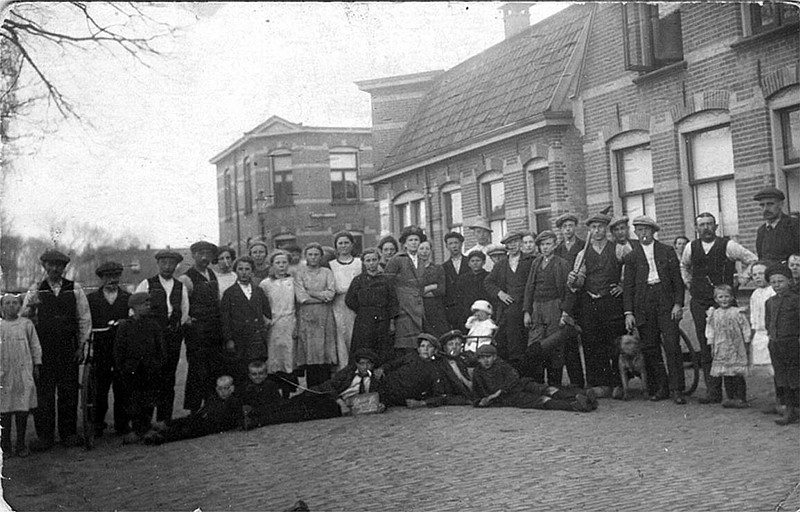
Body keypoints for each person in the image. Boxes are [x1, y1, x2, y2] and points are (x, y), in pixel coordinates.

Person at [680, 212, 757, 404]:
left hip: (724, 303)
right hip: (700, 303)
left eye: (709, 224)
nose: (706, 228)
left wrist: (741, 280)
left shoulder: (728, 245)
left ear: (715, 227)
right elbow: (683, 266)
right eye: (702, 225)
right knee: (706, 346)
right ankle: (713, 393)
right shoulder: (691, 247)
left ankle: (736, 395)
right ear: (696, 228)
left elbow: (753, 260)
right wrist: (689, 283)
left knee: (731, 346)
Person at [23, 249, 92, 451]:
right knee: (44, 394)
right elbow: (25, 319)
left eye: (59, 265)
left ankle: (68, 434)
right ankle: (45, 437)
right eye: (50, 265)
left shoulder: (75, 289)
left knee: (68, 392)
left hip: (67, 350)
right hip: (43, 351)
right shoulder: (35, 289)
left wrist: (82, 345)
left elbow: (84, 319)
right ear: (44, 267)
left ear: (64, 268)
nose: (54, 269)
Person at [623, 216, 686, 404]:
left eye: (646, 230)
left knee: (672, 345)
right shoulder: (631, 257)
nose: (643, 234)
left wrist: (677, 304)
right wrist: (629, 313)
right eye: (639, 230)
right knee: (650, 348)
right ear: (635, 233)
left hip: (665, 300)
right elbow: (628, 287)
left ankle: (677, 389)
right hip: (643, 303)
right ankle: (662, 387)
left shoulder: (667, 251)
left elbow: (678, 282)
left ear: (653, 231)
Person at [567, 213, 624, 398]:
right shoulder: (582, 254)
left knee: (614, 342)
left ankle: (618, 383)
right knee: (592, 343)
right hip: (590, 303)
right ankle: (600, 383)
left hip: (612, 302)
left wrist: (622, 285)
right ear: (589, 230)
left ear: (605, 229)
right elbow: (579, 280)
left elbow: (630, 270)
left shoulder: (619, 249)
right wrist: (574, 280)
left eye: (600, 227)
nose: (597, 230)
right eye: (593, 227)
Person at [134, 250, 189, 423]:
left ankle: (164, 420)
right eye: (164, 263)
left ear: (176, 266)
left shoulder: (180, 286)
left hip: (172, 338)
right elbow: (134, 308)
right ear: (158, 264)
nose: (167, 267)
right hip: (151, 339)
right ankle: (145, 421)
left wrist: (175, 327)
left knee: (168, 378)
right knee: (150, 378)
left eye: (171, 263)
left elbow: (184, 312)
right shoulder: (147, 283)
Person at [471, 345, 596, 412]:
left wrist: (500, 390)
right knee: (542, 400)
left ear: (495, 357)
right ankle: (575, 406)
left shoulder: (501, 365)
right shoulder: (478, 374)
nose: (486, 360)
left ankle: (582, 396)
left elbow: (513, 376)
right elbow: (477, 396)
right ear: (478, 359)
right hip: (511, 397)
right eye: (482, 358)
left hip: (520, 385)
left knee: (548, 390)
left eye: (489, 357)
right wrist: (482, 402)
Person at [114, 292, 167, 444]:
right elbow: (119, 351)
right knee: (133, 401)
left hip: (150, 370)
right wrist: (124, 368)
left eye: (149, 304)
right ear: (135, 307)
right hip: (132, 371)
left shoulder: (154, 325)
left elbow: (161, 348)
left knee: (149, 400)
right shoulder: (125, 326)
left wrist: (157, 364)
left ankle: (147, 427)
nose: (148, 306)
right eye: (145, 304)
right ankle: (137, 429)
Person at [522, 230, 573, 385]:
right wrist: (526, 311)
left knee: (553, 343)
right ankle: (537, 383)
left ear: (555, 245)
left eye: (548, 244)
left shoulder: (562, 264)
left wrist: (565, 312)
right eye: (542, 244)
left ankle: (554, 383)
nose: (545, 247)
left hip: (554, 306)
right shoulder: (536, 263)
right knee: (536, 343)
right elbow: (529, 288)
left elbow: (569, 290)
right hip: (537, 307)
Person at [86, 261, 131, 436]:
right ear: (101, 279)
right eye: (108, 277)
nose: (112, 280)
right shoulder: (91, 300)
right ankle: (97, 423)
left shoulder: (127, 298)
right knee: (99, 389)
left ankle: (122, 424)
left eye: (115, 276)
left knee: (122, 388)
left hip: (121, 351)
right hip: (101, 349)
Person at [177, 241, 223, 414]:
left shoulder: (213, 274)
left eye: (207, 254)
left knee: (214, 367)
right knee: (197, 370)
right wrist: (189, 321)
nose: (204, 257)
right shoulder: (186, 278)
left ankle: (212, 405)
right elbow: (182, 306)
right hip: (197, 332)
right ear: (193, 255)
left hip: (214, 329)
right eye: (200, 254)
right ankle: (194, 408)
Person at [485, 231, 535, 370]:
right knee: (512, 345)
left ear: (520, 243)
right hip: (508, 312)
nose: (512, 246)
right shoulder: (501, 264)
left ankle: (530, 380)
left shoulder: (531, 261)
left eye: (515, 242)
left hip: (527, 309)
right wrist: (500, 293)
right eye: (509, 243)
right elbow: (488, 282)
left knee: (528, 345)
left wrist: (527, 310)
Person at [144, 375, 244, 445]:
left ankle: (161, 436)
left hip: (212, 425)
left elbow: (237, 418)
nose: (222, 392)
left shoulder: (233, 401)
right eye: (219, 389)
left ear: (231, 389)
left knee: (188, 431)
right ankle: (164, 424)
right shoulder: (214, 398)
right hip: (203, 418)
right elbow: (205, 409)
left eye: (225, 388)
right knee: (186, 420)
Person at [220, 256, 271, 389]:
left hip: (256, 339)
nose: (244, 272)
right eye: (240, 269)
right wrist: (229, 339)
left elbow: (267, 312)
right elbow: (225, 319)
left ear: (252, 271)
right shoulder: (229, 293)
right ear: (235, 271)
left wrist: (264, 327)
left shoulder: (258, 291)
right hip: (239, 339)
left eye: (247, 269)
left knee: (256, 373)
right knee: (241, 372)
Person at [0, 293, 41, 458]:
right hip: (3, 373)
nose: (11, 306)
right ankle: (6, 446)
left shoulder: (26, 324)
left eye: (15, 303)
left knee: (22, 408)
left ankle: (21, 445)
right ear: (2, 306)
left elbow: (35, 345)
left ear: (20, 306)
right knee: (5, 410)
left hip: (23, 372)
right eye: (7, 303)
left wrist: (37, 364)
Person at [294, 243, 337, 387]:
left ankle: (325, 392)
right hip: (307, 318)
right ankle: (312, 393)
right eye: (310, 254)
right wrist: (320, 296)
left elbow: (330, 294)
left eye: (316, 254)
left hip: (324, 317)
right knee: (310, 355)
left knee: (324, 353)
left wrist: (311, 292)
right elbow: (301, 298)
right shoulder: (300, 273)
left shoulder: (327, 272)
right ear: (305, 256)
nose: (313, 257)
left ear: (321, 256)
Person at [345, 247, 397, 365]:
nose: (371, 263)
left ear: (378, 260)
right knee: (364, 348)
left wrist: (392, 321)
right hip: (364, 320)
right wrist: (363, 309)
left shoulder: (386, 280)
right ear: (363, 262)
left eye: (374, 260)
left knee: (382, 349)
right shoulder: (358, 280)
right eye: (368, 260)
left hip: (383, 319)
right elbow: (349, 300)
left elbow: (393, 301)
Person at [704, 284, 752, 409]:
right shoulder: (714, 314)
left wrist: (747, 340)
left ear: (731, 298)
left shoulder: (737, 312)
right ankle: (730, 397)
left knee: (737, 373)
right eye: (721, 297)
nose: (724, 299)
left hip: (736, 346)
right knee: (726, 373)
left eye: (727, 296)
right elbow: (711, 329)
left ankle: (741, 398)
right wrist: (711, 343)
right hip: (721, 346)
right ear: (716, 299)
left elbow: (745, 327)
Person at [764, 264, 800, 425]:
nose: (777, 285)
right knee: (782, 378)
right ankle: (790, 411)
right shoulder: (770, 302)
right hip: (776, 344)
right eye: (773, 282)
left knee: (796, 378)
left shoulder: (796, 300)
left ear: (789, 281)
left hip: (793, 344)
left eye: (781, 281)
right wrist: (772, 338)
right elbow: (768, 322)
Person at [259, 250, 297, 398]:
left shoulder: (294, 281)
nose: (281, 266)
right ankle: (274, 395)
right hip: (273, 326)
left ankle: (287, 395)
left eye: (284, 262)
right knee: (274, 359)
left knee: (288, 358)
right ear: (272, 265)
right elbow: (261, 305)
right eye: (278, 263)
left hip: (290, 323)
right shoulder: (266, 284)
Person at [384, 226, 427, 356]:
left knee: (418, 343)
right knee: (406, 344)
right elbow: (388, 285)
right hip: (404, 307)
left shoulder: (422, 260)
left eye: (416, 240)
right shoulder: (397, 260)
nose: (414, 242)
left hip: (418, 306)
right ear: (404, 243)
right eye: (410, 240)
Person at [375, 334, 442, 408]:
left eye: (429, 346)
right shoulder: (410, 357)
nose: (425, 349)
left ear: (435, 350)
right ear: (418, 349)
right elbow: (392, 364)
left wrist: (421, 403)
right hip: (385, 386)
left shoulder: (434, 369)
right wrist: (381, 369)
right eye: (422, 346)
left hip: (400, 399)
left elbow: (439, 395)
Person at [329, 231, 362, 369]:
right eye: (340, 243)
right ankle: (343, 371)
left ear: (352, 244)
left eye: (346, 242)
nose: (343, 246)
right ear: (336, 246)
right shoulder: (331, 265)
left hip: (356, 305)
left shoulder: (359, 263)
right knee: (341, 339)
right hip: (338, 306)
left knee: (355, 337)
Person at [753, 187, 800, 264]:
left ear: (781, 205)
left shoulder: (794, 225)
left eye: (770, 204)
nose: (765, 209)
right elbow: (761, 258)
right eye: (762, 205)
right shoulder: (761, 231)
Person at [433, 331, 475, 405]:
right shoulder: (440, 363)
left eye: (457, 344)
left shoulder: (463, 360)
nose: (454, 347)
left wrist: (460, 375)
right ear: (444, 347)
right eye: (450, 344)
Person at [418, 240, 449, 338]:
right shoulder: (413, 269)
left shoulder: (437, 268)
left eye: (427, 249)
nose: (424, 251)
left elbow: (441, 290)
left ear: (431, 251)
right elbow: (415, 291)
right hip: (420, 308)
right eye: (421, 248)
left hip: (436, 308)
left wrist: (423, 291)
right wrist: (431, 287)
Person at [749, 262, 776, 373]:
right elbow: (753, 315)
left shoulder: (773, 291)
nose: (757, 277)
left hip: (771, 333)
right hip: (759, 333)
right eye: (755, 275)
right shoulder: (755, 294)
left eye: (761, 273)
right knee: (760, 367)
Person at [457, 250, 492, 330]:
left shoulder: (489, 277)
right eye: (472, 261)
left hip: (484, 312)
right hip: (466, 312)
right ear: (469, 263)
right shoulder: (463, 278)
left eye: (478, 260)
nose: (475, 263)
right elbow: (459, 297)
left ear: (483, 262)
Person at [441, 231, 469, 331]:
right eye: (450, 243)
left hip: (469, 307)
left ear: (461, 244)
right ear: (447, 246)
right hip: (453, 309)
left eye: (456, 243)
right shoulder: (443, 267)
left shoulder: (470, 262)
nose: (454, 246)